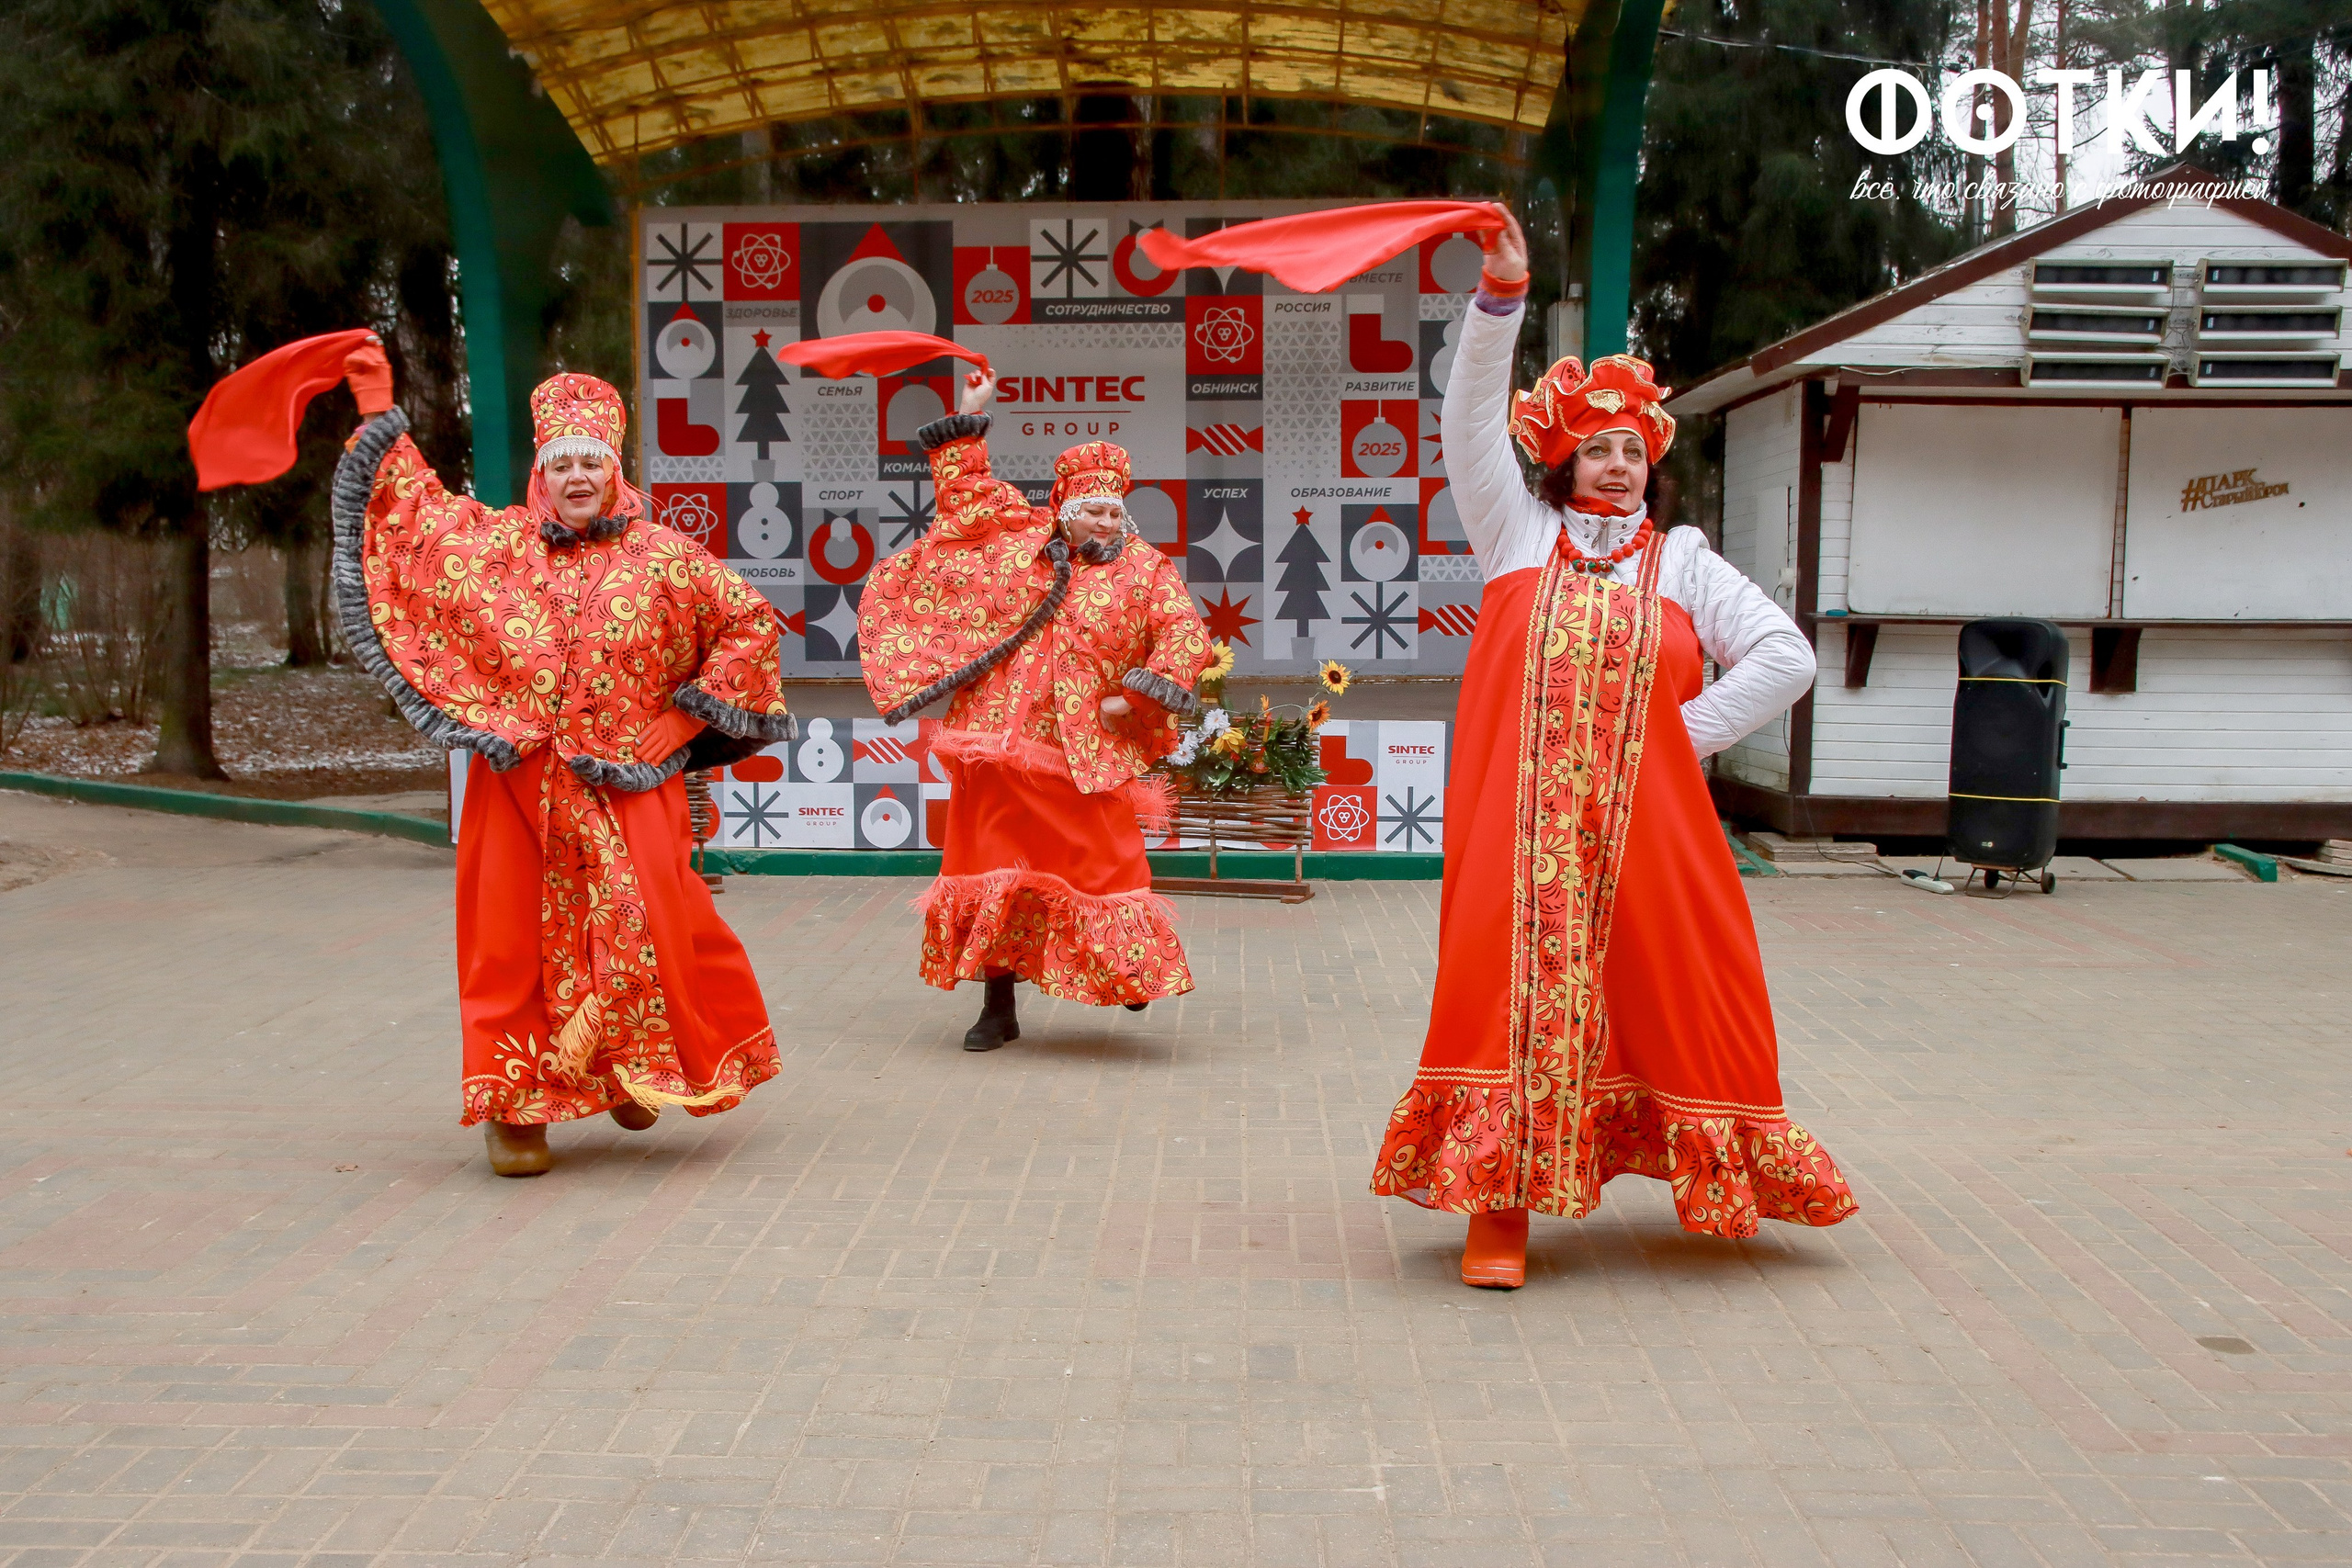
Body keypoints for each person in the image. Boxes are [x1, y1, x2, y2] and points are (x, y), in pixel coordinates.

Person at [1370, 206, 1857, 1286]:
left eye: (1633, 451)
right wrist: (1499, 300)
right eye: (1596, 450)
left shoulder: (1683, 562)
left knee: (1677, 983)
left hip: (1646, 825)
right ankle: (1501, 1209)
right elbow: (1462, 421)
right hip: (1519, 833)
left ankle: (1713, 1175)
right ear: (1558, 467)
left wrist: (1674, 736)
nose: (1619, 466)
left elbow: (1785, 659)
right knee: (1507, 995)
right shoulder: (1513, 535)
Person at [332, 343, 796, 1176]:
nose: (578, 476)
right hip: (518, 788)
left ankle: (629, 1064)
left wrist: (683, 720)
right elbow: (412, 512)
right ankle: (515, 1111)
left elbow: (750, 626)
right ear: (541, 472)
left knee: (661, 926)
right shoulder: (494, 547)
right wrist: (375, 408)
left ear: (614, 469)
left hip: (630, 786)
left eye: (592, 461)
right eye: (562, 462)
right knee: (509, 943)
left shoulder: (665, 556)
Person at [858, 370, 1213, 1049]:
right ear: (1064, 507)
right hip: (999, 748)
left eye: (1114, 510)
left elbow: (1184, 636)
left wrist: (1132, 694)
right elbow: (965, 498)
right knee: (996, 871)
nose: (1104, 520)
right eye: (1091, 508)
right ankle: (999, 1005)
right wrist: (970, 413)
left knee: (1108, 865)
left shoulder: (1146, 569)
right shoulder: (1017, 543)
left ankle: (1127, 968)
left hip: (1087, 753)